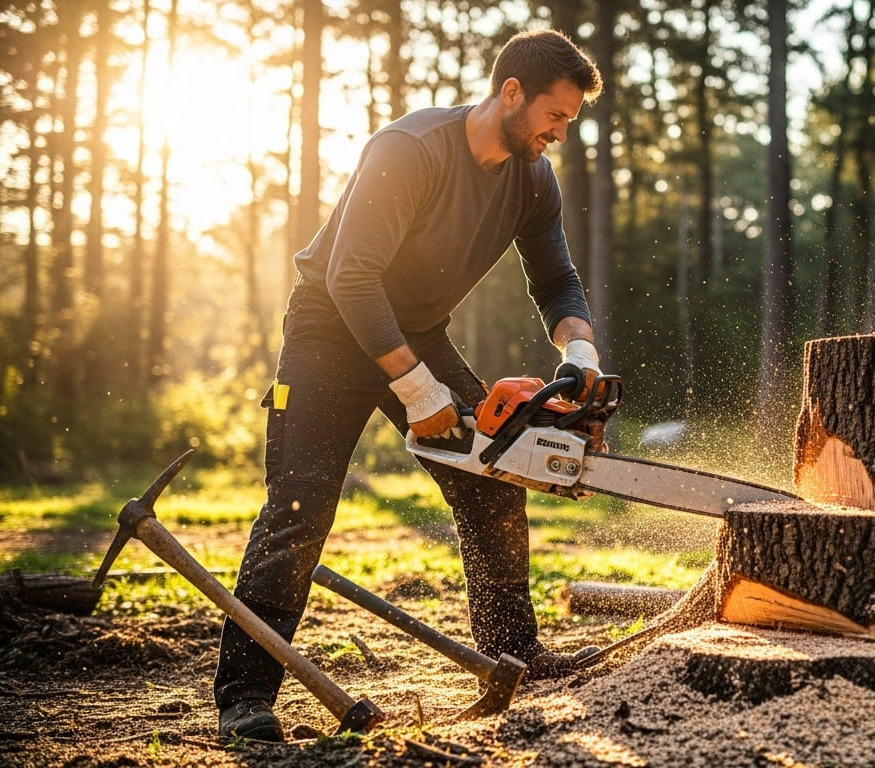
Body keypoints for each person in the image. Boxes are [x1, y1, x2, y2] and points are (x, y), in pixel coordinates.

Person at [215, 29, 605, 742]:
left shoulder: (531, 178)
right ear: (510, 93)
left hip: (418, 330)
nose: (560, 133)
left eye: (570, 122)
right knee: (300, 509)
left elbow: (556, 278)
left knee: (492, 476)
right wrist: (421, 395)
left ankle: (511, 653)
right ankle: (245, 696)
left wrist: (579, 346)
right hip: (328, 331)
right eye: (556, 116)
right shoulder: (410, 148)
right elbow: (351, 277)